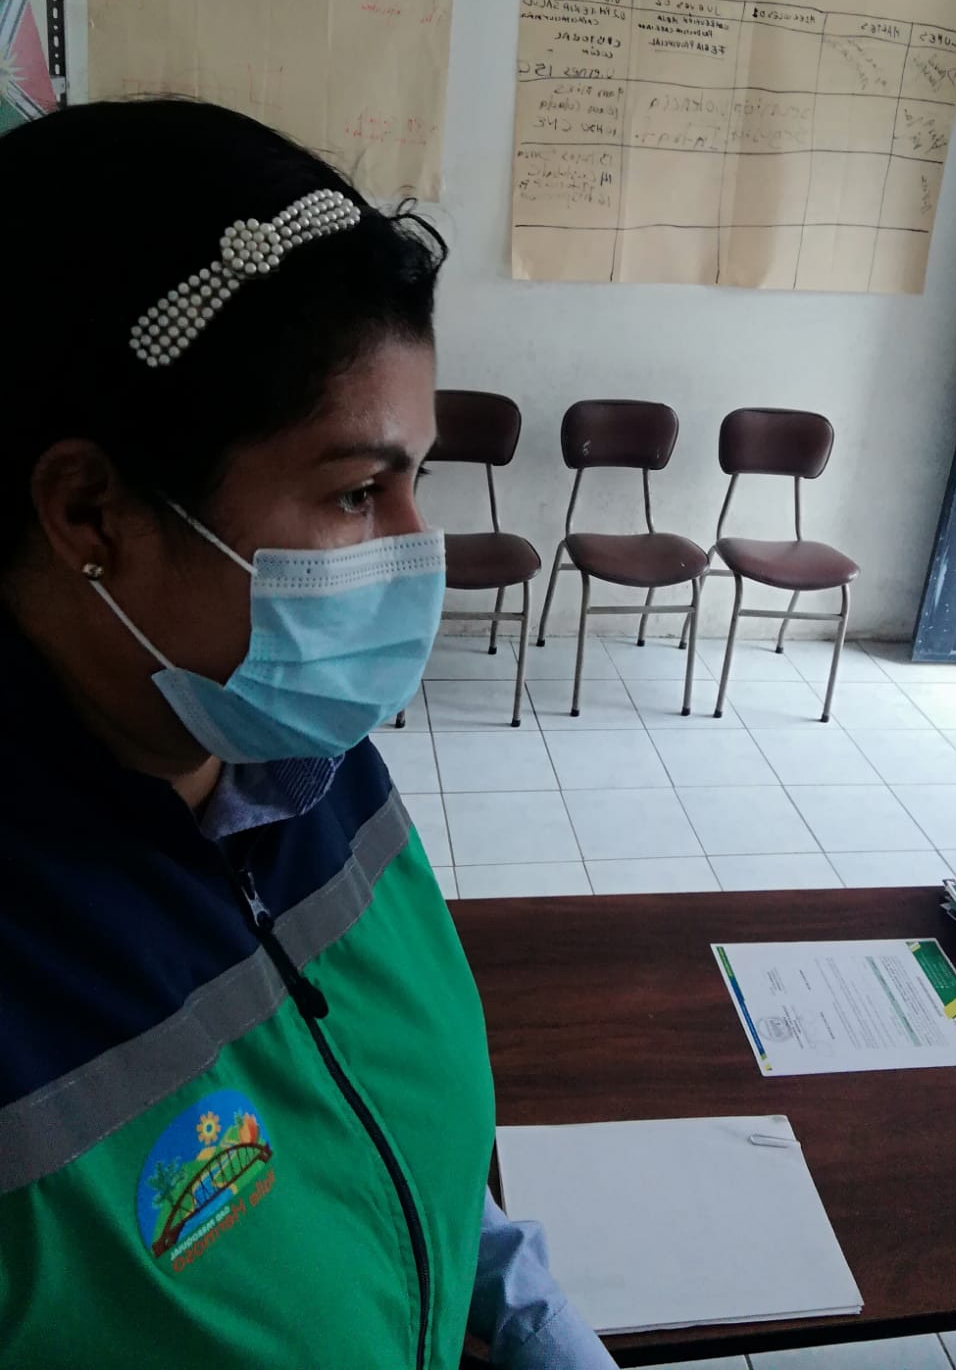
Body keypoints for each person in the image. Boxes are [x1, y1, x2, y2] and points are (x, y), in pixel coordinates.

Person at [0, 98, 617, 1370]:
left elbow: (388, 1133)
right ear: (90, 512)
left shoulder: (301, 759)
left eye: (415, 478)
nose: (415, 551)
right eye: (353, 491)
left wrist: (533, 1320)